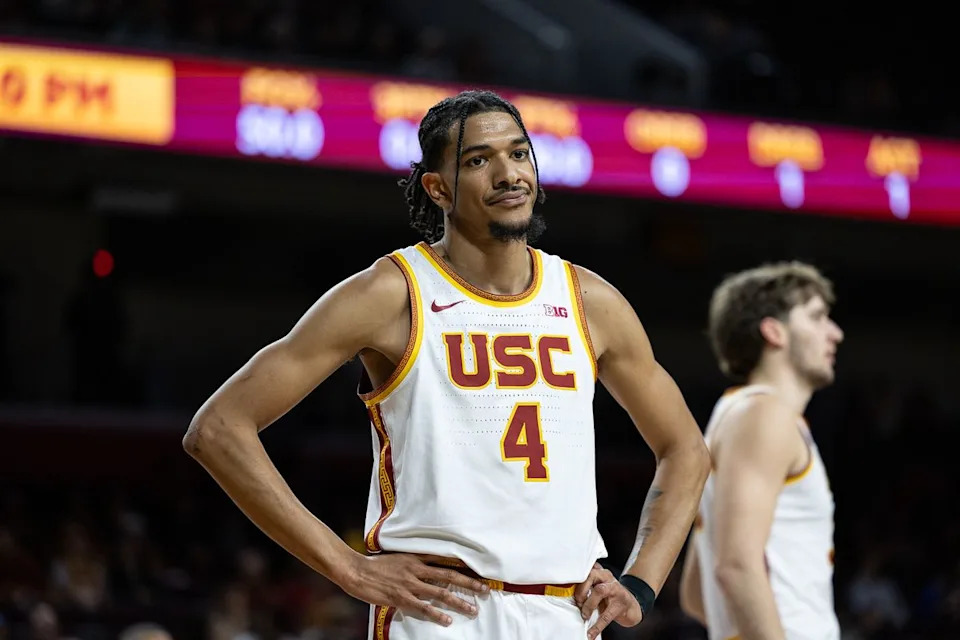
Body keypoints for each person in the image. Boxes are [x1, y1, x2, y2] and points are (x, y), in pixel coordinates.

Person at [184, 89, 710, 640]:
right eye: (479, 160)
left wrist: (642, 584)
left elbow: (686, 451)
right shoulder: (392, 292)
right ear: (437, 188)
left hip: (564, 614)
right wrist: (348, 567)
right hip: (441, 613)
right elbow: (218, 430)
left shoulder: (589, 300)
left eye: (519, 153)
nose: (509, 174)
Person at [679, 262, 844, 640]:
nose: (835, 333)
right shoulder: (764, 415)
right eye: (818, 317)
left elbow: (694, 592)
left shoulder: (737, 414)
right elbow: (735, 566)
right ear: (774, 331)